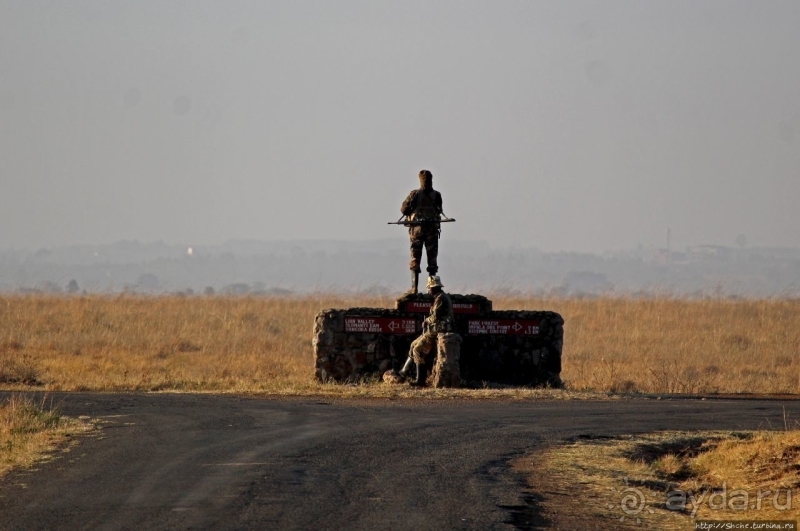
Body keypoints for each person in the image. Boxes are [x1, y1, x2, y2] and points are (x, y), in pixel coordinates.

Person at [398, 275, 454, 387]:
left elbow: (435, 317)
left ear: (434, 288)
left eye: (430, 288)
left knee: (418, 350)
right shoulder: (441, 297)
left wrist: (427, 320)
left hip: (438, 330)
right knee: (413, 344)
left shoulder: (440, 299)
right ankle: (404, 372)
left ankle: (420, 380)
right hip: (435, 329)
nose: (428, 290)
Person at [400, 169, 443, 294]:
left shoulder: (414, 194)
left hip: (417, 232)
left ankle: (414, 288)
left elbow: (404, 209)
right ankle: (432, 289)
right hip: (432, 231)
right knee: (432, 261)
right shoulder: (437, 195)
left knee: (415, 259)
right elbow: (439, 210)